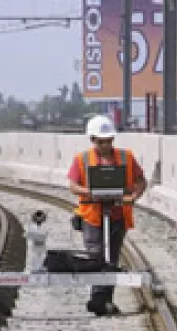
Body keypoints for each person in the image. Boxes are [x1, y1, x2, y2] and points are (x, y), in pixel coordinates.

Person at [67, 115, 147, 315]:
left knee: (111, 258)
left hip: (117, 214)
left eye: (109, 140)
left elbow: (141, 180)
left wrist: (134, 197)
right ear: (92, 139)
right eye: (101, 141)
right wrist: (91, 193)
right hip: (91, 216)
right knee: (96, 257)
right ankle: (99, 300)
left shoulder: (126, 157)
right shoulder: (82, 159)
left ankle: (102, 301)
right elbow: (73, 185)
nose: (106, 145)